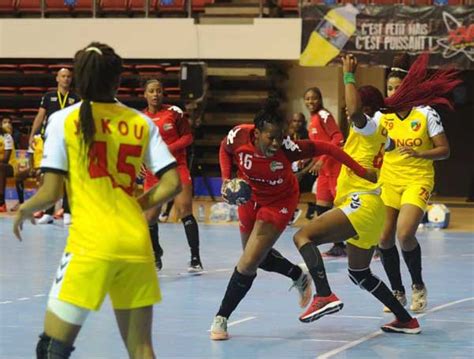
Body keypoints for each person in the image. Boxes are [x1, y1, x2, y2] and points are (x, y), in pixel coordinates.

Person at [12, 42, 181, 359]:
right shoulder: (140, 122)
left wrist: (24, 208)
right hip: (134, 241)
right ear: (117, 81)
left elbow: (50, 193)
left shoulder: (62, 120)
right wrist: (135, 206)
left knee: (51, 350)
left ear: (78, 81)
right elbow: (173, 182)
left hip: (90, 244)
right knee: (142, 350)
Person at [209, 99, 376, 340]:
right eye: (271, 138)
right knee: (258, 258)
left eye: (281, 137)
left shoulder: (289, 148)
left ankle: (221, 318)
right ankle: (297, 275)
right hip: (250, 197)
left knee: (247, 262)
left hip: (279, 202)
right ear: (256, 134)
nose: (277, 143)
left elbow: (329, 148)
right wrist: (226, 179)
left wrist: (362, 171)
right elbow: (224, 149)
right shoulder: (238, 136)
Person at [293, 54, 421, 334]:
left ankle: (324, 294)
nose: (347, 108)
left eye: (354, 104)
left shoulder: (370, 127)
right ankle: (406, 319)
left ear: (366, 107)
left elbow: (355, 113)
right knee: (359, 273)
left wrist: (349, 75)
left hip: (360, 204)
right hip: (373, 208)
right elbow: (380, 143)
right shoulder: (384, 134)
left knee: (302, 236)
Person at [378, 53, 459, 313]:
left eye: (396, 87)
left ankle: (417, 285)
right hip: (389, 180)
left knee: (404, 234)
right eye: (389, 87)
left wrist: (420, 153)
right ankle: (397, 291)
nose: (392, 92)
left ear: (408, 88)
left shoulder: (425, 114)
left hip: (417, 178)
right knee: (384, 238)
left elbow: (445, 150)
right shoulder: (383, 116)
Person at [142, 79, 202, 272]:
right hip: (153, 172)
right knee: (149, 217)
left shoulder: (174, 113)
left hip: (177, 168)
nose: (155, 94)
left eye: (159, 91)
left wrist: (167, 149)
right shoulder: (140, 118)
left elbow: (188, 137)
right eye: (151, 91)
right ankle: (156, 253)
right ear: (145, 94)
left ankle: (195, 258)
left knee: (185, 210)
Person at [29, 67, 80, 225]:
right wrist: (32, 134)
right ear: (57, 78)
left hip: (69, 141)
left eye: (69, 76)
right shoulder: (48, 96)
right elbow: (40, 116)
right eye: (63, 76)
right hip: (50, 140)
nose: (66, 79)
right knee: (49, 176)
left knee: (68, 177)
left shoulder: (76, 98)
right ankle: (48, 212)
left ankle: (67, 212)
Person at [304, 87, 346, 257]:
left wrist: (322, 160)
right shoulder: (312, 119)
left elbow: (338, 138)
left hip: (335, 167)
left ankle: (370, 243)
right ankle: (338, 245)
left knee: (345, 207)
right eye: (307, 99)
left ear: (320, 100)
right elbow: (316, 145)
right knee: (322, 208)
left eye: (313, 98)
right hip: (324, 171)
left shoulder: (324, 115)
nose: (310, 102)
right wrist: (304, 157)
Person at [288, 112, 315, 223]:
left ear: (304, 123)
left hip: (307, 171)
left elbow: (313, 159)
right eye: (295, 121)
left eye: (299, 121)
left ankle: (293, 212)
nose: (297, 124)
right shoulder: (288, 137)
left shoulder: (309, 137)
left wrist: (302, 172)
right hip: (292, 170)